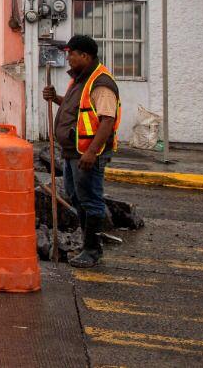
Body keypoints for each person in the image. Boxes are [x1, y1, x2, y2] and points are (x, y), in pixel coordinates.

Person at [42, 34, 121, 268]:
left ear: (85, 56)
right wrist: (54, 97)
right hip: (73, 151)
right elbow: (75, 107)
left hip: (87, 154)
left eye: (72, 55)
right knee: (76, 196)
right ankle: (88, 243)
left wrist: (91, 153)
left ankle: (92, 249)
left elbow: (107, 121)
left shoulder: (101, 83)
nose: (68, 59)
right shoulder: (80, 80)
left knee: (90, 200)